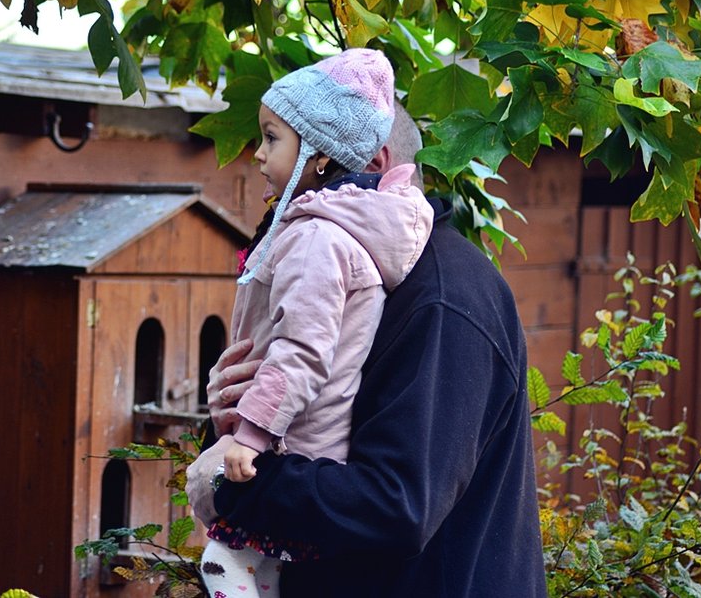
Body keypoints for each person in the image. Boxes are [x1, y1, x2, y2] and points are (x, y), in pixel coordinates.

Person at [186, 105, 549, 597]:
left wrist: (235, 482)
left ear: (373, 166)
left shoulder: (442, 299)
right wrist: (232, 415)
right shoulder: (345, 278)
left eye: (281, 143)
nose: (260, 160)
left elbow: (395, 507)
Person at [196, 48, 434, 598]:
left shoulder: (314, 238)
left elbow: (302, 350)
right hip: (311, 439)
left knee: (223, 565)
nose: (257, 154)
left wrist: (250, 437)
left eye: (272, 137)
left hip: (288, 443)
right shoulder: (348, 234)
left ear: (321, 155)